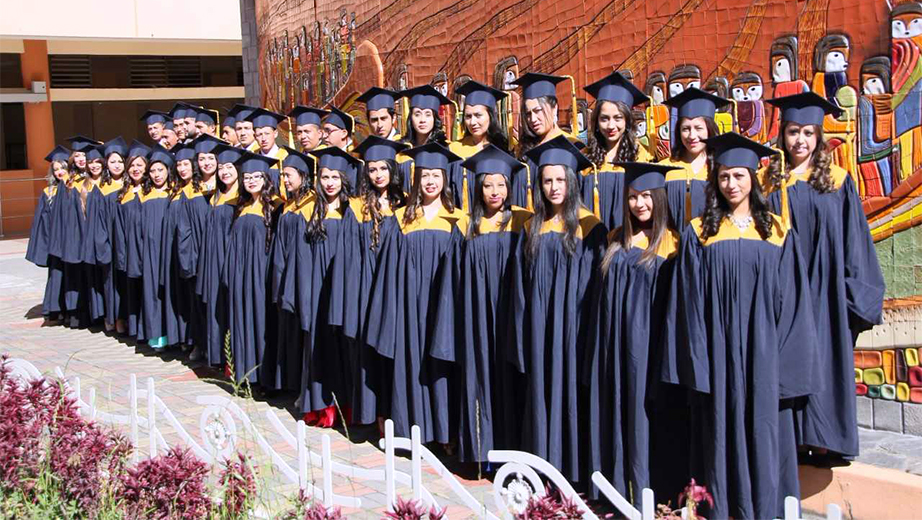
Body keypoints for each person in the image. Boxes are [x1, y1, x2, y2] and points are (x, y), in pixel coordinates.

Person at [661, 132, 820, 519]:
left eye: (739, 176)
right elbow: (690, 302)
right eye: (724, 176)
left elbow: (795, 302)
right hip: (718, 354)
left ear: (753, 178)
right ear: (715, 180)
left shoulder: (778, 232)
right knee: (719, 429)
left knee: (765, 431)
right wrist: (697, 361)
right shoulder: (701, 232)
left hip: (764, 353)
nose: (731, 184)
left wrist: (783, 363)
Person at [763, 92, 885, 464]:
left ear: (818, 137)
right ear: (782, 134)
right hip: (782, 293)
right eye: (793, 132)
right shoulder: (766, 181)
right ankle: (793, 442)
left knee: (825, 359)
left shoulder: (837, 179)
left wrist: (853, 292)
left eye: (808, 133)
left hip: (823, 291)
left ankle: (825, 440)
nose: (800, 140)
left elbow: (854, 237)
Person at [509, 135, 605, 483]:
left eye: (560, 179)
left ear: (573, 181)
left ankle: (574, 471)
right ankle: (540, 467)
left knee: (571, 392)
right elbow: (520, 285)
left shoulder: (590, 227)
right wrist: (523, 330)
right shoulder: (532, 227)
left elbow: (595, 287)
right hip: (538, 325)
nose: (553, 187)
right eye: (547, 180)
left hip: (573, 327)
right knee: (540, 391)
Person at [584, 161, 681, 504]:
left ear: (660, 198)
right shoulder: (615, 239)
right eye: (632, 197)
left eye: (646, 197)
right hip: (614, 345)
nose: (639, 204)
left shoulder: (672, 244)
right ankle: (613, 487)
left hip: (649, 347)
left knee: (644, 416)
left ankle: (647, 492)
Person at [432, 144, 531, 462]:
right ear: (477, 186)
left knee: (513, 379)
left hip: (511, 318)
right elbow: (453, 283)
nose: (494, 191)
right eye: (487, 184)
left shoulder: (523, 223)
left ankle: (517, 450)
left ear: (510, 186)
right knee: (480, 380)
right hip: (476, 321)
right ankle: (481, 452)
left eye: (501, 184)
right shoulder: (465, 227)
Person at [364, 142, 468, 445]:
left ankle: (447, 434)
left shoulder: (458, 220)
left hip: (445, 308)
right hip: (411, 309)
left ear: (445, 179)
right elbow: (388, 275)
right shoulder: (401, 220)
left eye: (436, 175)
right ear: (416, 179)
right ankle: (415, 432)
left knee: (444, 366)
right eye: (425, 176)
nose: (431, 181)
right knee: (413, 366)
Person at [335, 136, 409, 428]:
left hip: (394, 291)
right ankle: (375, 415)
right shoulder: (356, 208)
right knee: (369, 354)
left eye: (383, 168)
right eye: (373, 169)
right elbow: (349, 260)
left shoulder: (405, 205)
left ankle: (396, 412)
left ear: (393, 169)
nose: (378, 174)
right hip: (367, 290)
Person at [294, 145, 360, 427]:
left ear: (344, 179)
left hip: (344, 290)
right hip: (317, 291)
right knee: (318, 347)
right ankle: (322, 407)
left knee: (344, 348)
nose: (330, 182)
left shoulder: (354, 210)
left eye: (335, 177)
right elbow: (301, 257)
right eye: (324, 177)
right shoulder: (310, 209)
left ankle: (346, 405)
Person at [224, 152, 280, 385]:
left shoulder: (276, 207)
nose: (251, 180)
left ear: (266, 178)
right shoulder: (240, 207)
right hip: (240, 275)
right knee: (241, 321)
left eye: (257, 176)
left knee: (261, 322)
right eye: (247, 176)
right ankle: (244, 374)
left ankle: (263, 377)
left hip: (261, 276)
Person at [267, 147, 315, 392]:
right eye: (283, 175)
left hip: (304, 278)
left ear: (303, 175)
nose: (284, 180)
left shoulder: (312, 205)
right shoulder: (288, 206)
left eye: (289, 175)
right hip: (287, 277)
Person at [581, 71, 654, 230]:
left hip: (627, 240)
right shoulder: (585, 160)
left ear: (628, 120)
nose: (611, 126)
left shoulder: (642, 157)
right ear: (596, 121)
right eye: (604, 118)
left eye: (618, 118)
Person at [196, 144, 244, 367]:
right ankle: (218, 356)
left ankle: (233, 359)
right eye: (221, 167)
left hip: (229, 259)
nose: (225, 171)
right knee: (216, 307)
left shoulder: (241, 198)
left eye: (230, 167)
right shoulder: (216, 195)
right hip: (213, 260)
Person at [660, 87, 730, 229]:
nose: (692, 136)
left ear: (709, 130)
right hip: (672, 247)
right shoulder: (665, 168)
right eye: (686, 129)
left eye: (698, 128)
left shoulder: (721, 167)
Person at [511, 73, 572, 208]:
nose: (532, 119)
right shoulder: (523, 150)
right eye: (528, 113)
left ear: (554, 107)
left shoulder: (571, 146)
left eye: (538, 110)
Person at [448, 80, 511, 212]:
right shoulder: (455, 150)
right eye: (468, 116)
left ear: (490, 116)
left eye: (478, 115)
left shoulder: (502, 149)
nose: (472, 122)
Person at [160, 143, 198, 351]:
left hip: (192, 255)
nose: (183, 168)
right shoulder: (175, 190)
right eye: (179, 164)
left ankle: (194, 341)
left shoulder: (200, 192)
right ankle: (182, 338)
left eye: (186, 164)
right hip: (175, 253)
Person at [113, 141, 150, 340]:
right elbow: (119, 228)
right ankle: (136, 329)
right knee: (132, 289)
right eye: (132, 165)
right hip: (131, 252)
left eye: (140, 165)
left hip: (148, 250)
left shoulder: (153, 192)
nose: (136, 169)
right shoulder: (124, 194)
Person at [29, 146, 71, 323]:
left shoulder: (75, 188)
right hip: (56, 242)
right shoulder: (49, 192)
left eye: (63, 167)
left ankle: (72, 310)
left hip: (72, 240)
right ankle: (56, 309)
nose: (60, 172)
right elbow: (43, 220)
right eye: (56, 169)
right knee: (57, 274)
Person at [138, 144, 174, 349]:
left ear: (168, 170)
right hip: (151, 251)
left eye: (160, 170)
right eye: (152, 170)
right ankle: (156, 336)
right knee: (152, 291)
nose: (156, 174)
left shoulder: (174, 194)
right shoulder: (145, 194)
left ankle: (172, 334)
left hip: (168, 251)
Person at [399, 85, 453, 196]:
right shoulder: (401, 152)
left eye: (428, 114)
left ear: (435, 119)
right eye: (417, 114)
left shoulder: (445, 150)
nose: (422, 120)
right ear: (410, 118)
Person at [100, 137, 128, 333]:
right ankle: (114, 317)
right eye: (112, 161)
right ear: (106, 164)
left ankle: (125, 319)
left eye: (120, 161)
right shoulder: (101, 189)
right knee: (111, 281)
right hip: (110, 242)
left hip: (127, 243)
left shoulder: (131, 187)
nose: (117, 165)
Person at [244, 108, 289, 190]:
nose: (263, 138)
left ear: (275, 134)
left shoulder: (286, 157)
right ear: (255, 137)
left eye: (267, 133)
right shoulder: (252, 158)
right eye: (259, 135)